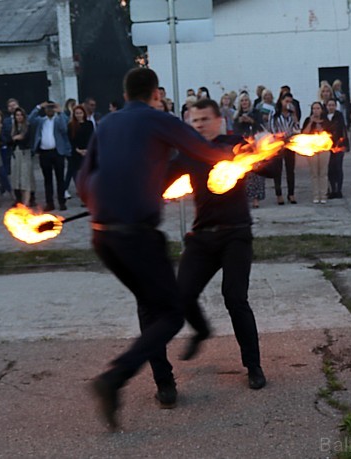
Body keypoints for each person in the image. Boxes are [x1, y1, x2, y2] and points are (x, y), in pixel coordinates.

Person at [77, 67, 229, 431]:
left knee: (158, 300)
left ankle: (199, 332)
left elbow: (83, 179)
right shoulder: (156, 118)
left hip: (102, 235)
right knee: (168, 315)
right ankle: (114, 378)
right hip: (136, 236)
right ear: (156, 94)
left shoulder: (108, 124)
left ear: (125, 93)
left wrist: (111, 198)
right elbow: (204, 151)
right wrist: (236, 152)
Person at [169, 98, 266, 390]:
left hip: (236, 233)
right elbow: (158, 183)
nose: (199, 125)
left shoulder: (235, 144)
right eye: (194, 120)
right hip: (202, 236)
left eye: (204, 119)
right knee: (181, 295)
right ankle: (201, 330)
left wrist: (265, 150)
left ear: (218, 120)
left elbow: (270, 169)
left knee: (235, 298)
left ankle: (253, 366)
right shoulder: (187, 153)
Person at [28, 101, 71, 211]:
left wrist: (60, 112)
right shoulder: (41, 121)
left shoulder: (59, 119)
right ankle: (49, 202)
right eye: (47, 108)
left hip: (57, 152)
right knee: (47, 179)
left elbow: (64, 128)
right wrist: (38, 107)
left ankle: (62, 201)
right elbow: (29, 120)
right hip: (44, 152)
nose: (50, 110)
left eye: (51, 108)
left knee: (60, 178)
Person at [233, 92, 265, 208]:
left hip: (256, 145)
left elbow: (262, 127)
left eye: (246, 100)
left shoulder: (256, 113)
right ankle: (244, 197)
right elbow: (235, 131)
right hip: (243, 147)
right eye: (242, 101)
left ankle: (256, 198)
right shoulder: (237, 116)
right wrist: (240, 123)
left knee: (256, 172)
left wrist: (252, 122)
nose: (244, 103)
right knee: (243, 173)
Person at [270, 92, 300, 204]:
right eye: (286, 101)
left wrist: (295, 118)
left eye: (290, 102)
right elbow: (272, 129)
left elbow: (296, 128)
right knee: (277, 170)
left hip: (290, 144)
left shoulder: (292, 114)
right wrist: (279, 137)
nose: (288, 104)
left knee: (290, 169)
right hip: (278, 145)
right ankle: (279, 194)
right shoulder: (274, 113)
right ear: (281, 101)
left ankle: (291, 194)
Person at [302, 102, 331, 203]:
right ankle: (315, 195)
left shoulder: (326, 121)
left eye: (318, 108)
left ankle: (323, 195)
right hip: (312, 149)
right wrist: (311, 122)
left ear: (321, 110)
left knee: (323, 173)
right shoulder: (308, 120)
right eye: (314, 108)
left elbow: (331, 134)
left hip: (324, 149)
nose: (316, 111)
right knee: (314, 173)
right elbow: (304, 134)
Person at [66, 104, 94, 198]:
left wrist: (87, 150)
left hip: (87, 152)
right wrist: (78, 150)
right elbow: (71, 139)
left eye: (80, 113)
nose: (78, 115)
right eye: (76, 113)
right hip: (76, 153)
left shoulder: (89, 124)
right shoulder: (71, 126)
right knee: (78, 175)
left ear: (83, 114)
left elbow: (91, 138)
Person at [8, 107, 34, 207]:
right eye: (17, 115)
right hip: (15, 154)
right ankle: (20, 200)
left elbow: (26, 139)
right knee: (17, 178)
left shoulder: (28, 126)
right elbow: (9, 141)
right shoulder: (13, 127)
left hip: (24, 153)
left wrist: (18, 138)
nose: (19, 117)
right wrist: (15, 138)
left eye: (20, 115)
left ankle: (27, 202)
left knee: (25, 178)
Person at [326, 99, 348, 199]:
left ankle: (338, 190)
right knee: (330, 168)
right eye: (329, 105)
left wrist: (344, 144)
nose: (331, 107)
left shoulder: (339, 116)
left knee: (338, 168)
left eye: (333, 105)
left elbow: (343, 129)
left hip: (338, 145)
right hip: (327, 146)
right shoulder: (324, 116)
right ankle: (332, 189)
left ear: (335, 106)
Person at [0, 99, 19, 201]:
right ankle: (12, 192)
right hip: (9, 149)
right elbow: (3, 134)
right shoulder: (6, 121)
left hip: (21, 148)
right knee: (7, 172)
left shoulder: (23, 118)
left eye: (14, 105)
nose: (12, 107)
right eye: (10, 106)